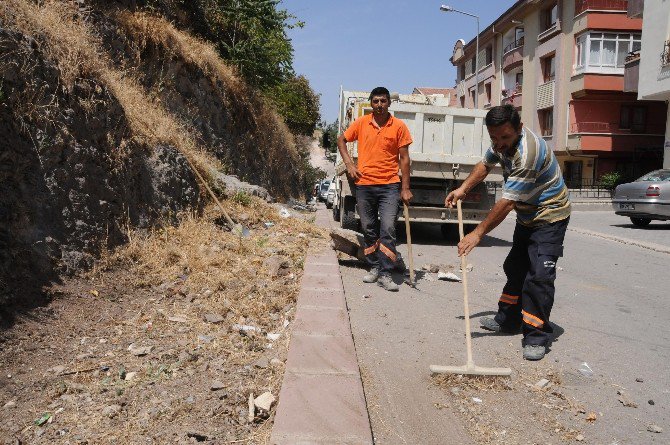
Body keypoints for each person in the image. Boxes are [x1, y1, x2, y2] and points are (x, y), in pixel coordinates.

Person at [444, 105, 571, 361]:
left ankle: (536, 335)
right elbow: (485, 164)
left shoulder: (528, 154)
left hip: (550, 216)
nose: (499, 144)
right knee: (515, 267)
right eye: (494, 138)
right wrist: (463, 188)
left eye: (505, 138)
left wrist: (477, 233)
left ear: (519, 129)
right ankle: (508, 319)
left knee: (539, 275)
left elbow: (507, 202)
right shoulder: (501, 142)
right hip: (527, 215)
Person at [337, 87, 413, 292]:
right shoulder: (362, 123)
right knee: (369, 227)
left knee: (387, 227)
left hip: (389, 185)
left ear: (389, 103)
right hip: (365, 185)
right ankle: (374, 267)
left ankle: (386, 273)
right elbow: (341, 140)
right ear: (371, 103)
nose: (379, 105)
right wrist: (350, 165)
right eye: (376, 101)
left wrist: (405, 188)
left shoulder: (398, 126)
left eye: (383, 101)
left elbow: (405, 159)